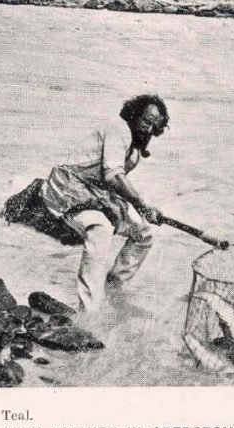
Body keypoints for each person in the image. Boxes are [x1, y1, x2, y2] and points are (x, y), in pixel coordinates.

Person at [38, 94, 169, 312]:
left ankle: (113, 289)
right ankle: (89, 310)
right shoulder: (118, 129)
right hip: (68, 187)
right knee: (100, 230)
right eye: (146, 121)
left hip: (95, 193)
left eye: (154, 127)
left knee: (143, 233)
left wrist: (144, 210)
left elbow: (115, 184)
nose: (148, 130)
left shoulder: (135, 152)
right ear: (134, 115)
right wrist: (143, 205)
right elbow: (113, 177)